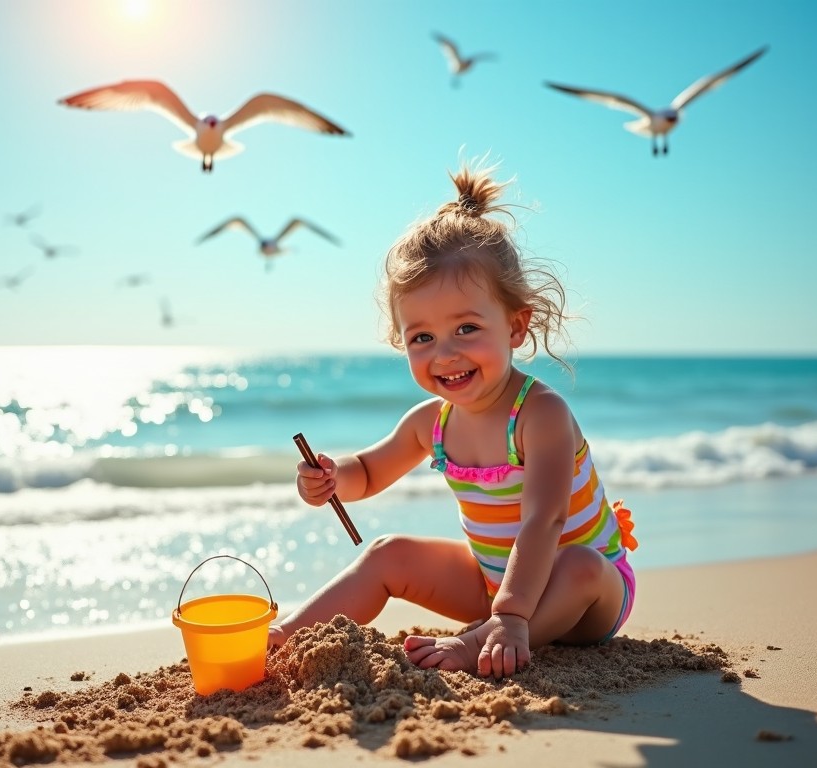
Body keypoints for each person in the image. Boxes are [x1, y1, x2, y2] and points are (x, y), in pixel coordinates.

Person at [268, 160, 638, 679]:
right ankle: (285, 638)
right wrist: (332, 478)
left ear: (515, 325)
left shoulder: (540, 413)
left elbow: (544, 521)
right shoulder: (432, 423)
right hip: (494, 584)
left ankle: (478, 642)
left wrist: (508, 618)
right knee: (388, 553)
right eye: (422, 337)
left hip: (584, 597)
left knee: (577, 564)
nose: (444, 354)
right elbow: (369, 473)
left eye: (466, 328)